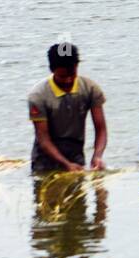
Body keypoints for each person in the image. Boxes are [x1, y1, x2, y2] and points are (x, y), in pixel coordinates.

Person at [28, 42, 108, 172]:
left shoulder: (90, 89)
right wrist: (66, 164)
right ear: (52, 70)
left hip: (75, 153)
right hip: (45, 160)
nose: (68, 80)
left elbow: (101, 129)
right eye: (62, 77)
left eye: (72, 74)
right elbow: (43, 139)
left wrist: (97, 156)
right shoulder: (38, 96)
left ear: (77, 66)